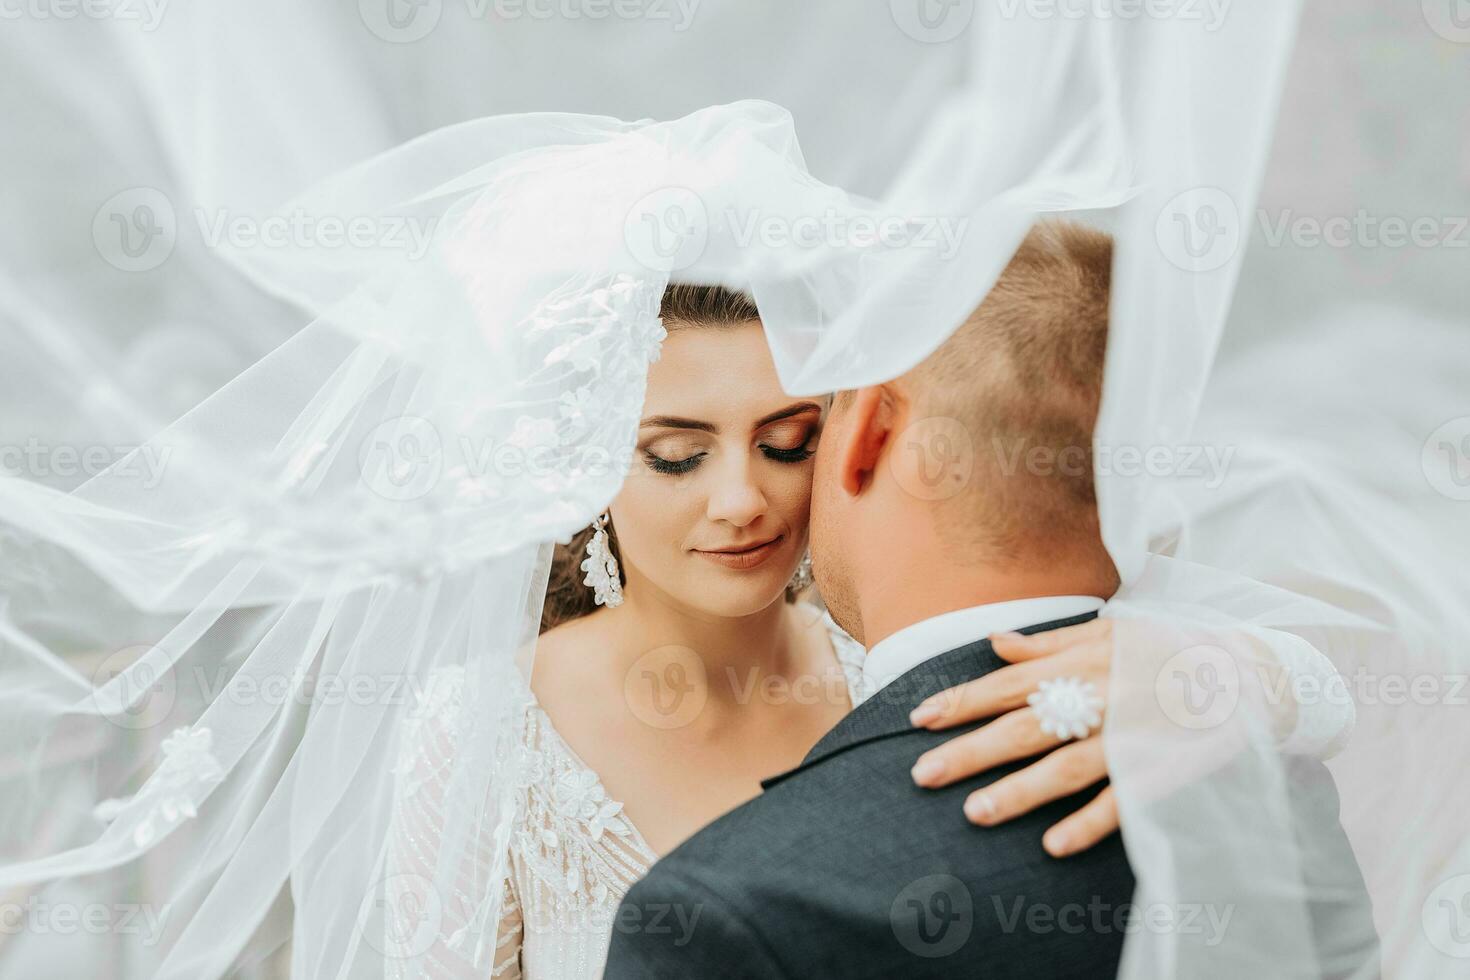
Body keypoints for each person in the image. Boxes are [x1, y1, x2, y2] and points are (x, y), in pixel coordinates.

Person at [601, 222, 1378, 979]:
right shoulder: (1268, 771)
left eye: (793, 440)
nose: (743, 501)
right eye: (676, 456)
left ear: (869, 428)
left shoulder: (722, 916)